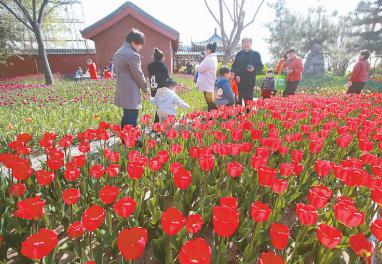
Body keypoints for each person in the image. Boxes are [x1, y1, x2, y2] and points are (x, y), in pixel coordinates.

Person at [113, 29, 149, 128]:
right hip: (131, 90)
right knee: (132, 116)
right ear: (133, 42)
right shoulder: (133, 55)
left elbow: (115, 71)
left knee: (126, 115)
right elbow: (138, 74)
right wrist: (146, 88)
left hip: (121, 87)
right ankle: (131, 140)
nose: (141, 47)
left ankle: (124, 138)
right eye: (140, 44)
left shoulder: (118, 52)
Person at [231, 38, 263, 105]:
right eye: (244, 42)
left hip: (250, 82)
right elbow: (233, 67)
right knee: (238, 102)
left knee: (248, 102)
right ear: (242, 44)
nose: (246, 44)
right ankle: (238, 115)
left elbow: (261, 67)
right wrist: (236, 76)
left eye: (248, 42)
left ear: (251, 43)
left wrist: (254, 68)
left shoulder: (256, 54)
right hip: (239, 81)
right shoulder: (238, 54)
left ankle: (248, 115)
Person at [148, 48, 170, 122]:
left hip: (154, 88)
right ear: (162, 57)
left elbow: (152, 77)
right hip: (162, 89)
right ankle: (158, 124)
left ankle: (156, 124)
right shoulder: (163, 67)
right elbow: (167, 79)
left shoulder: (150, 66)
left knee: (159, 107)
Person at [195, 43, 218, 111]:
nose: (205, 51)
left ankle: (215, 115)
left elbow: (200, 69)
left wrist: (196, 65)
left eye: (206, 49)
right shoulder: (212, 58)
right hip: (208, 82)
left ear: (209, 50)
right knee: (209, 101)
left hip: (207, 83)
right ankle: (210, 117)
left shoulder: (209, 59)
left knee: (210, 101)